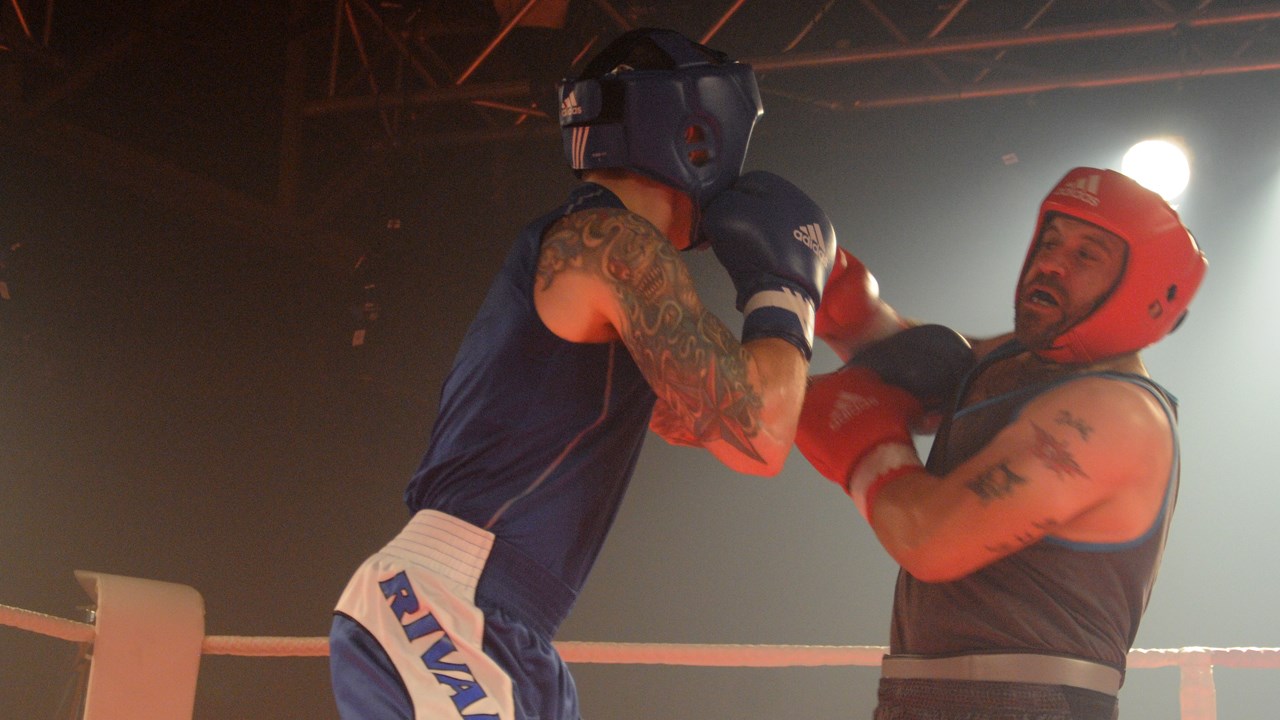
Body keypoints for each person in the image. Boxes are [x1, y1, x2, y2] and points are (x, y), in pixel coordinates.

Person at [328, 27, 837, 720]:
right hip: (449, 605)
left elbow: (704, 420)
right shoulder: (613, 246)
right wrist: (785, 294)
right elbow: (759, 436)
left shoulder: (588, 248)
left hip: (488, 618)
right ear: (698, 137)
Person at [796, 167, 1208, 719]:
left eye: (1087, 255)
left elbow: (928, 538)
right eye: (1050, 241)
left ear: (1146, 294)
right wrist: (829, 287)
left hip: (1031, 702)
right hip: (917, 694)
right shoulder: (1015, 359)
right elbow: (915, 364)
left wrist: (868, 451)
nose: (1051, 263)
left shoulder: (1119, 416)